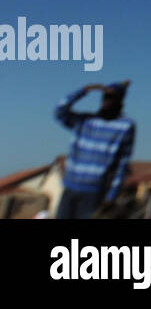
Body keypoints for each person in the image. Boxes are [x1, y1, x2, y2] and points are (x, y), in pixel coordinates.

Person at [53, 81, 134, 219]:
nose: (107, 102)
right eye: (105, 97)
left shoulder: (125, 126)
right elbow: (59, 111)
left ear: (120, 101)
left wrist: (112, 195)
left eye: (112, 98)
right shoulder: (85, 121)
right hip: (70, 188)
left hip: (94, 192)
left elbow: (122, 163)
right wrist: (84, 90)